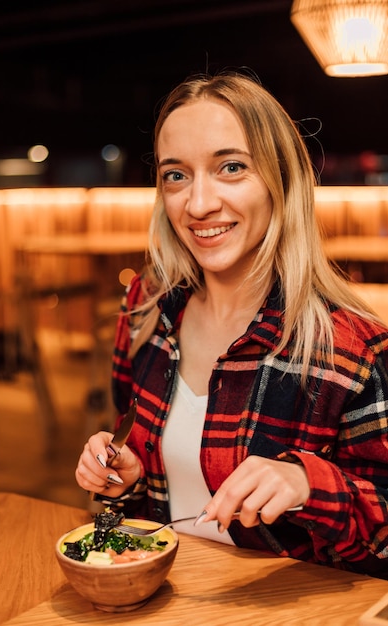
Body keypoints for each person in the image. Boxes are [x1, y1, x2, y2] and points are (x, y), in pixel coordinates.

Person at [76, 71, 388, 578]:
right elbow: (137, 461)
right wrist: (123, 472)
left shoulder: (352, 348)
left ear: (281, 179)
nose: (198, 204)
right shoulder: (145, 309)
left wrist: (308, 484)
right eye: (176, 175)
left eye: (231, 167)